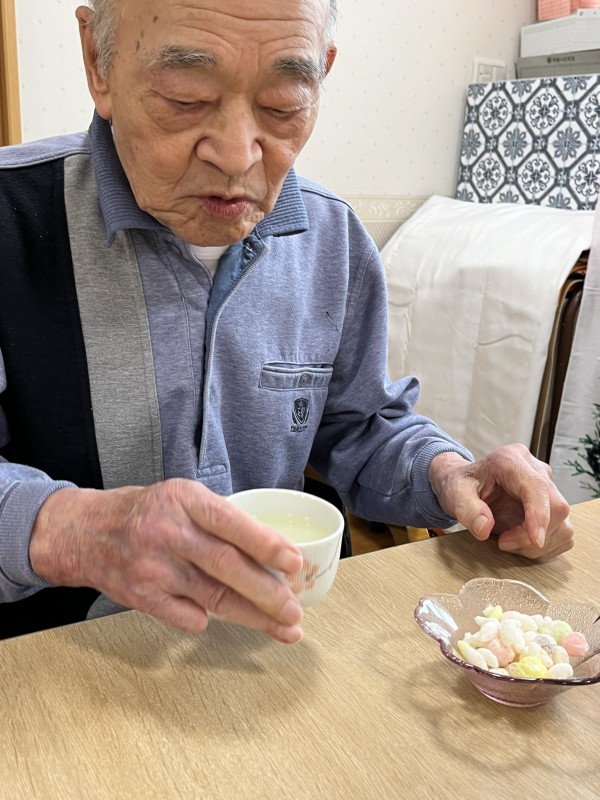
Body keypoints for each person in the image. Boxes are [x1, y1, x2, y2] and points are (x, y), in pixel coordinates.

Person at [0, 0, 573, 643]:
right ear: (96, 62)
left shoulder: (332, 240)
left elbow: (359, 424)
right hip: (57, 659)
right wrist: (73, 530)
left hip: (272, 646)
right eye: (186, 97)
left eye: (282, 104)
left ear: (321, 75)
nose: (237, 155)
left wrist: (447, 473)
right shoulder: (11, 219)